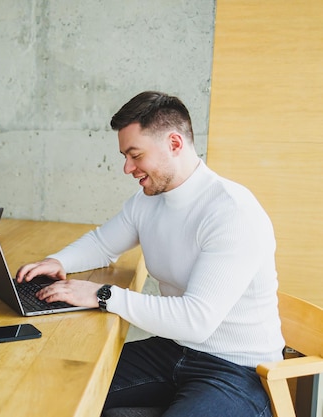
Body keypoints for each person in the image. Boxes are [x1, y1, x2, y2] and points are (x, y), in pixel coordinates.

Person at [16, 91, 283, 417]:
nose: (127, 168)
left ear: (174, 143)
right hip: (173, 350)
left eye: (135, 155)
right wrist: (57, 262)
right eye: (124, 156)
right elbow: (102, 243)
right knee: (57, 389)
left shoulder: (231, 212)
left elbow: (196, 321)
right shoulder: (148, 200)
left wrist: (102, 295)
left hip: (237, 369)